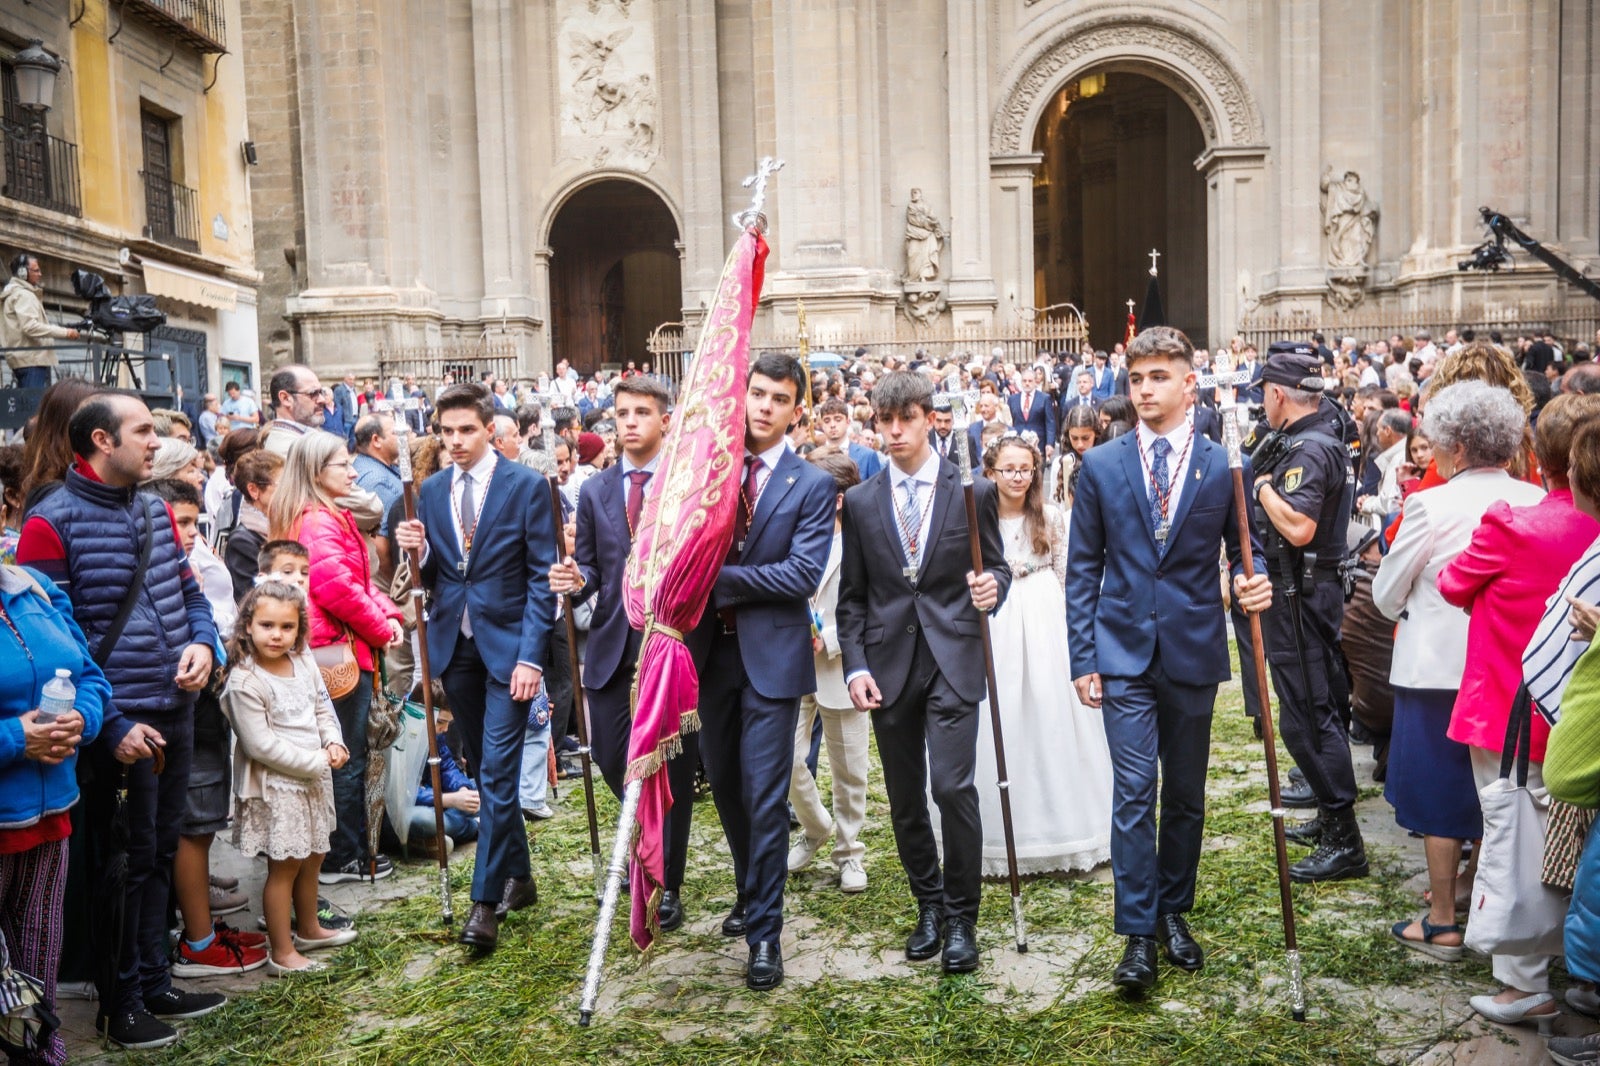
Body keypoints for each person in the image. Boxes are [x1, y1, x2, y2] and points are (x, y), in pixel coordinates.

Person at [1066, 326, 1270, 995]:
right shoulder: (1100, 466)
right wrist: (1083, 656)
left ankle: (1173, 912)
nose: (1146, 390)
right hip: (1122, 650)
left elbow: (1246, 549)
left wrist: (1253, 579)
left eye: (1159, 377)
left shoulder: (1222, 465)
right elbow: (1082, 571)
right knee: (1133, 793)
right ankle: (1136, 933)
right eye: (1137, 378)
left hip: (1191, 647)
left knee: (1183, 796)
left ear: (1190, 383)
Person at [15, 392, 222, 1049]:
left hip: (174, 707)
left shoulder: (158, 509)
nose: (155, 441)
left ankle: (155, 982)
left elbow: (191, 597)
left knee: (159, 851)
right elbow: (51, 641)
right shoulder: (50, 521)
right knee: (120, 864)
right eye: (141, 431)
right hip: (119, 721)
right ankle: (120, 1003)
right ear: (102, 441)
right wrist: (108, 726)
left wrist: (203, 645)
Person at [1434, 393, 1600, 1031]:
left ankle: (1524, 983)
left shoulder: (1515, 521)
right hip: (1581, 708)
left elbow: (1453, 585)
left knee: (1517, 835)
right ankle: (1572, 964)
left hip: (1515, 705)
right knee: (1574, 838)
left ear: (1543, 456)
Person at [837, 370, 1010, 976]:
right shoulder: (861, 501)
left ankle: (964, 917)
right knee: (906, 799)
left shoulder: (974, 491)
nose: (891, 432)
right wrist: (854, 665)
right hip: (886, 665)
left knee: (952, 787)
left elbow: (1000, 570)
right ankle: (929, 905)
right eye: (882, 422)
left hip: (954, 658)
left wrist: (995, 587)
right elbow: (853, 598)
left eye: (903, 419)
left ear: (929, 418)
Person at [1373, 380, 1546, 963]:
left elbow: (1386, 592)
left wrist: (1414, 608)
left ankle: (1443, 921)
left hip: (1437, 669)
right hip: (1512, 672)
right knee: (1497, 791)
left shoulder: (1430, 504)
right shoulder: (1534, 498)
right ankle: (1479, 897)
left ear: (1456, 445)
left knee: (1439, 794)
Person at [394, 383, 558, 954]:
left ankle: (483, 903)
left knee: (496, 774)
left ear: (490, 428)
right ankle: (523, 876)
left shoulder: (527, 485)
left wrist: (533, 656)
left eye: (467, 430)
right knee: (486, 764)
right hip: (455, 646)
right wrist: (412, 551)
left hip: (511, 647)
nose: (456, 441)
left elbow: (542, 577)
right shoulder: (432, 490)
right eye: (447, 432)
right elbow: (437, 577)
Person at [689, 353, 835, 991]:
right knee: (723, 782)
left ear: (795, 409)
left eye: (779, 398)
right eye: (757, 394)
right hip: (709, 658)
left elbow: (801, 576)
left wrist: (714, 582)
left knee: (764, 792)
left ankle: (766, 935)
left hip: (773, 660)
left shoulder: (811, 484)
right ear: (742, 396)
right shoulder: (710, 472)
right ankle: (751, 891)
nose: (765, 406)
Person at [549, 375, 698, 931]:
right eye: (620, 413)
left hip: (671, 643)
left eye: (641, 412)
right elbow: (591, 569)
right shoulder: (596, 490)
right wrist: (573, 576)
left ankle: (667, 880)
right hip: (613, 644)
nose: (629, 421)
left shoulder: (686, 484)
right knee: (613, 754)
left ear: (665, 419)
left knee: (670, 768)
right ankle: (643, 836)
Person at [1249, 343, 1365, 882]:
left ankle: (1345, 839)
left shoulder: (1311, 449)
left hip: (1301, 591)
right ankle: (1328, 812)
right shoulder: (1315, 436)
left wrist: (1265, 488)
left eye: (1264, 397)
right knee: (1314, 707)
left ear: (1278, 394)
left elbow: (1299, 527)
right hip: (1305, 588)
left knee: (1308, 716)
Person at [269, 432, 403, 886]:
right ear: (315, 472)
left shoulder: (327, 515)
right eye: (343, 465)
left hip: (342, 647)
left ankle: (343, 849)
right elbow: (337, 589)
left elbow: (356, 584)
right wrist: (382, 628)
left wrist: (387, 612)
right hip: (337, 655)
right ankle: (341, 856)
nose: (352, 472)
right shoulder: (318, 522)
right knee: (345, 752)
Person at [979, 435, 1111, 874]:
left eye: (1024, 469)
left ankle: (1068, 826)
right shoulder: (979, 515)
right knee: (1002, 715)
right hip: (997, 615)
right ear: (991, 472)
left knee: (1051, 714)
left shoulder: (1050, 517)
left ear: (1035, 472)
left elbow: (1066, 574)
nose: (1017, 477)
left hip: (1043, 613)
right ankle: (999, 832)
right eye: (1008, 469)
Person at [0, 561, 109, 1066]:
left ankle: (39, 1050)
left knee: (39, 952)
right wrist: (17, 739)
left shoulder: (33, 588)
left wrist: (81, 719)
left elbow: (88, 673)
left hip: (49, 817)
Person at [219, 582, 357, 976]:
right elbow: (261, 745)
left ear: (300, 629)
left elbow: (321, 706)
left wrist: (333, 741)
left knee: (314, 855)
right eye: (267, 625)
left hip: (313, 778)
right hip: (276, 787)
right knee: (285, 865)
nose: (277, 635)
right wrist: (318, 760)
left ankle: (310, 927)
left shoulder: (304, 660)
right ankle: (281, 949)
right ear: (247, 626)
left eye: (287, 626)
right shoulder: (245, 681)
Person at [785, 449, 871, 893]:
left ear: (836, 498)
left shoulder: (863, 538)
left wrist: (831, 638)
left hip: (840, 665)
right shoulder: (792, 533)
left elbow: (871, 607)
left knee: (849, 766)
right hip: (792, 662)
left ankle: (850, 851)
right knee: (786, 756)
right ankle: (816, 826)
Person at [1, 254, 79, 389]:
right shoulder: (24, 295)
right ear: (22, 273)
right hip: (32, 361)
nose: (40, 274)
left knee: (28, 407)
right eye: (36, 270)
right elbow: (30, 327)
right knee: (34, 407)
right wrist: (65, 332)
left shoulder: (15, 293)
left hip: (25, 360)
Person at [223, 451, 284, 601]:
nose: (289, 490)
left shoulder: (284, 524)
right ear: (254, 490)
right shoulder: (242, 541)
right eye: (282, 484)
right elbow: (251, 599)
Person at [815, 397, 883, 479]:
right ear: (822, 424)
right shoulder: (815, 457)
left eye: (838, 419)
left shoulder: (867, 455)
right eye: (827, 421)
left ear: (848, 422)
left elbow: (877, 488)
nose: (832, 425)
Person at [1007, 367, 1057, 457]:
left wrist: (1050, 443)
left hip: (1039, 444)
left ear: (1035, 382)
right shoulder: (1012, 399)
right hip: (1018, 444)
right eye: (1024, 381)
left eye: (1030, 381)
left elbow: (1050, 422)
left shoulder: (1044, 398)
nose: (1027, 384)